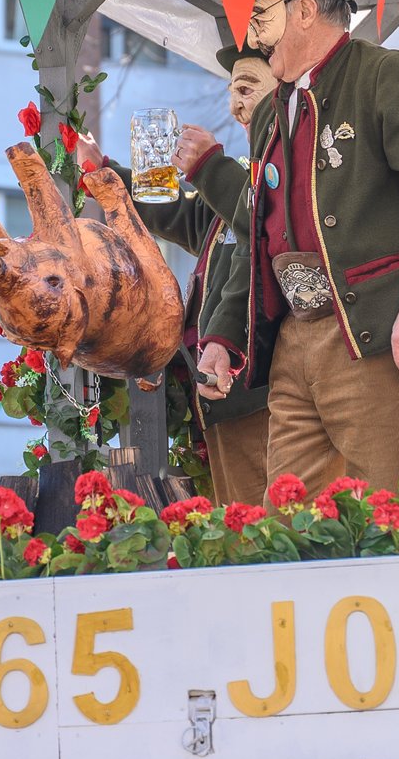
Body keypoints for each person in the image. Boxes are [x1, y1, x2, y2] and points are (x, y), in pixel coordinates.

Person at [195, 0, 399, 494]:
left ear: (304, 11)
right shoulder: (269, 115)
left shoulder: (386, 76)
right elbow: (258, 236)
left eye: (260, 16)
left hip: (378, 335)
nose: (250, 34)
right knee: (292, 525)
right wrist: (224, 336)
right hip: (294, 342)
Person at [79, 46, 273, 504]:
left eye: (248, 89)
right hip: (218, 386)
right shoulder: (245, 178)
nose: (235, 106)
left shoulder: (269, 180)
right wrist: (102, 170)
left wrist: (211, 168)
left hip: (257, 386)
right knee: (235, 507)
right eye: (232, 90)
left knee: (259, 513)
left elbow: (264, 229)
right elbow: (176, 215)